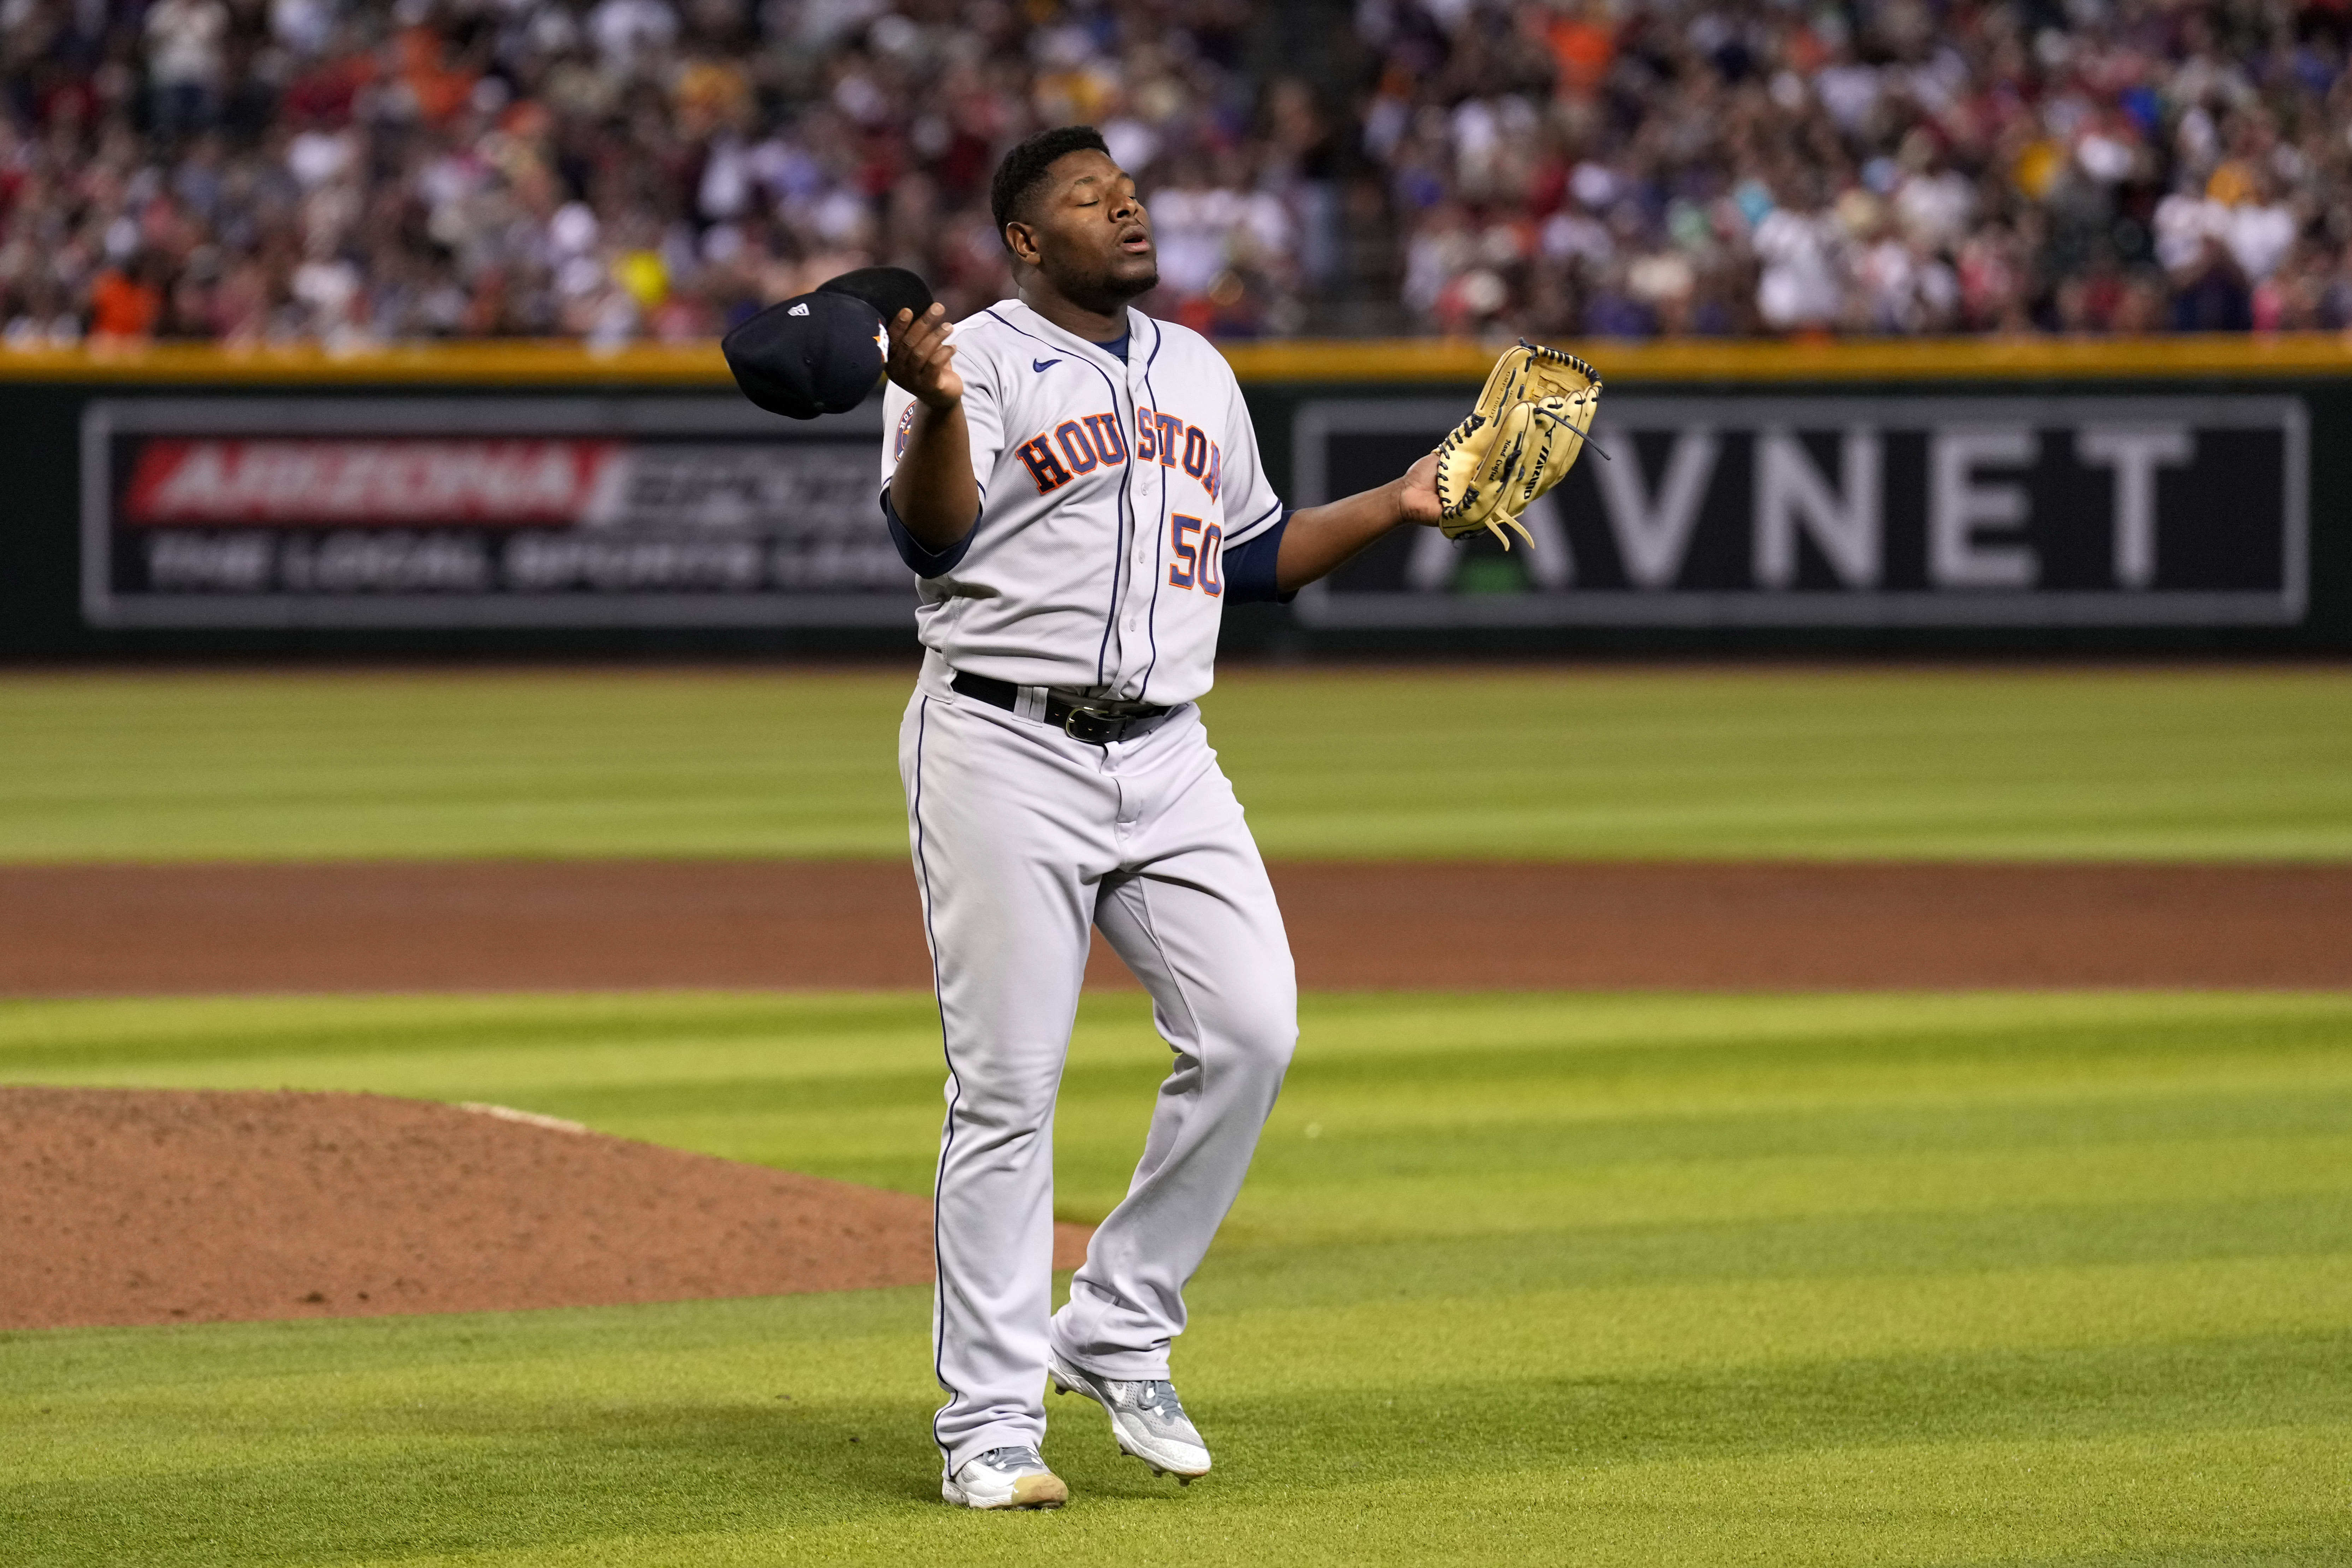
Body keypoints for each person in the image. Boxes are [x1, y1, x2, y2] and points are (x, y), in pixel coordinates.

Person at [879, 123, 1444, 1510]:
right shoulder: (973, 356)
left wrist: (1395, 501)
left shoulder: (1196, 366)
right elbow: (930, 537)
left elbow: (1251, 559)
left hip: (1171, 752)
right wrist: (940, 405)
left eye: (1129, 193)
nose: (1124, 211)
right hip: (1004, 742)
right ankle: (991, 1431)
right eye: (1088, 199)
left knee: (1252, 1028)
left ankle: (1117, 1322)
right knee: (1009, 1090)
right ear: (1024, 238)